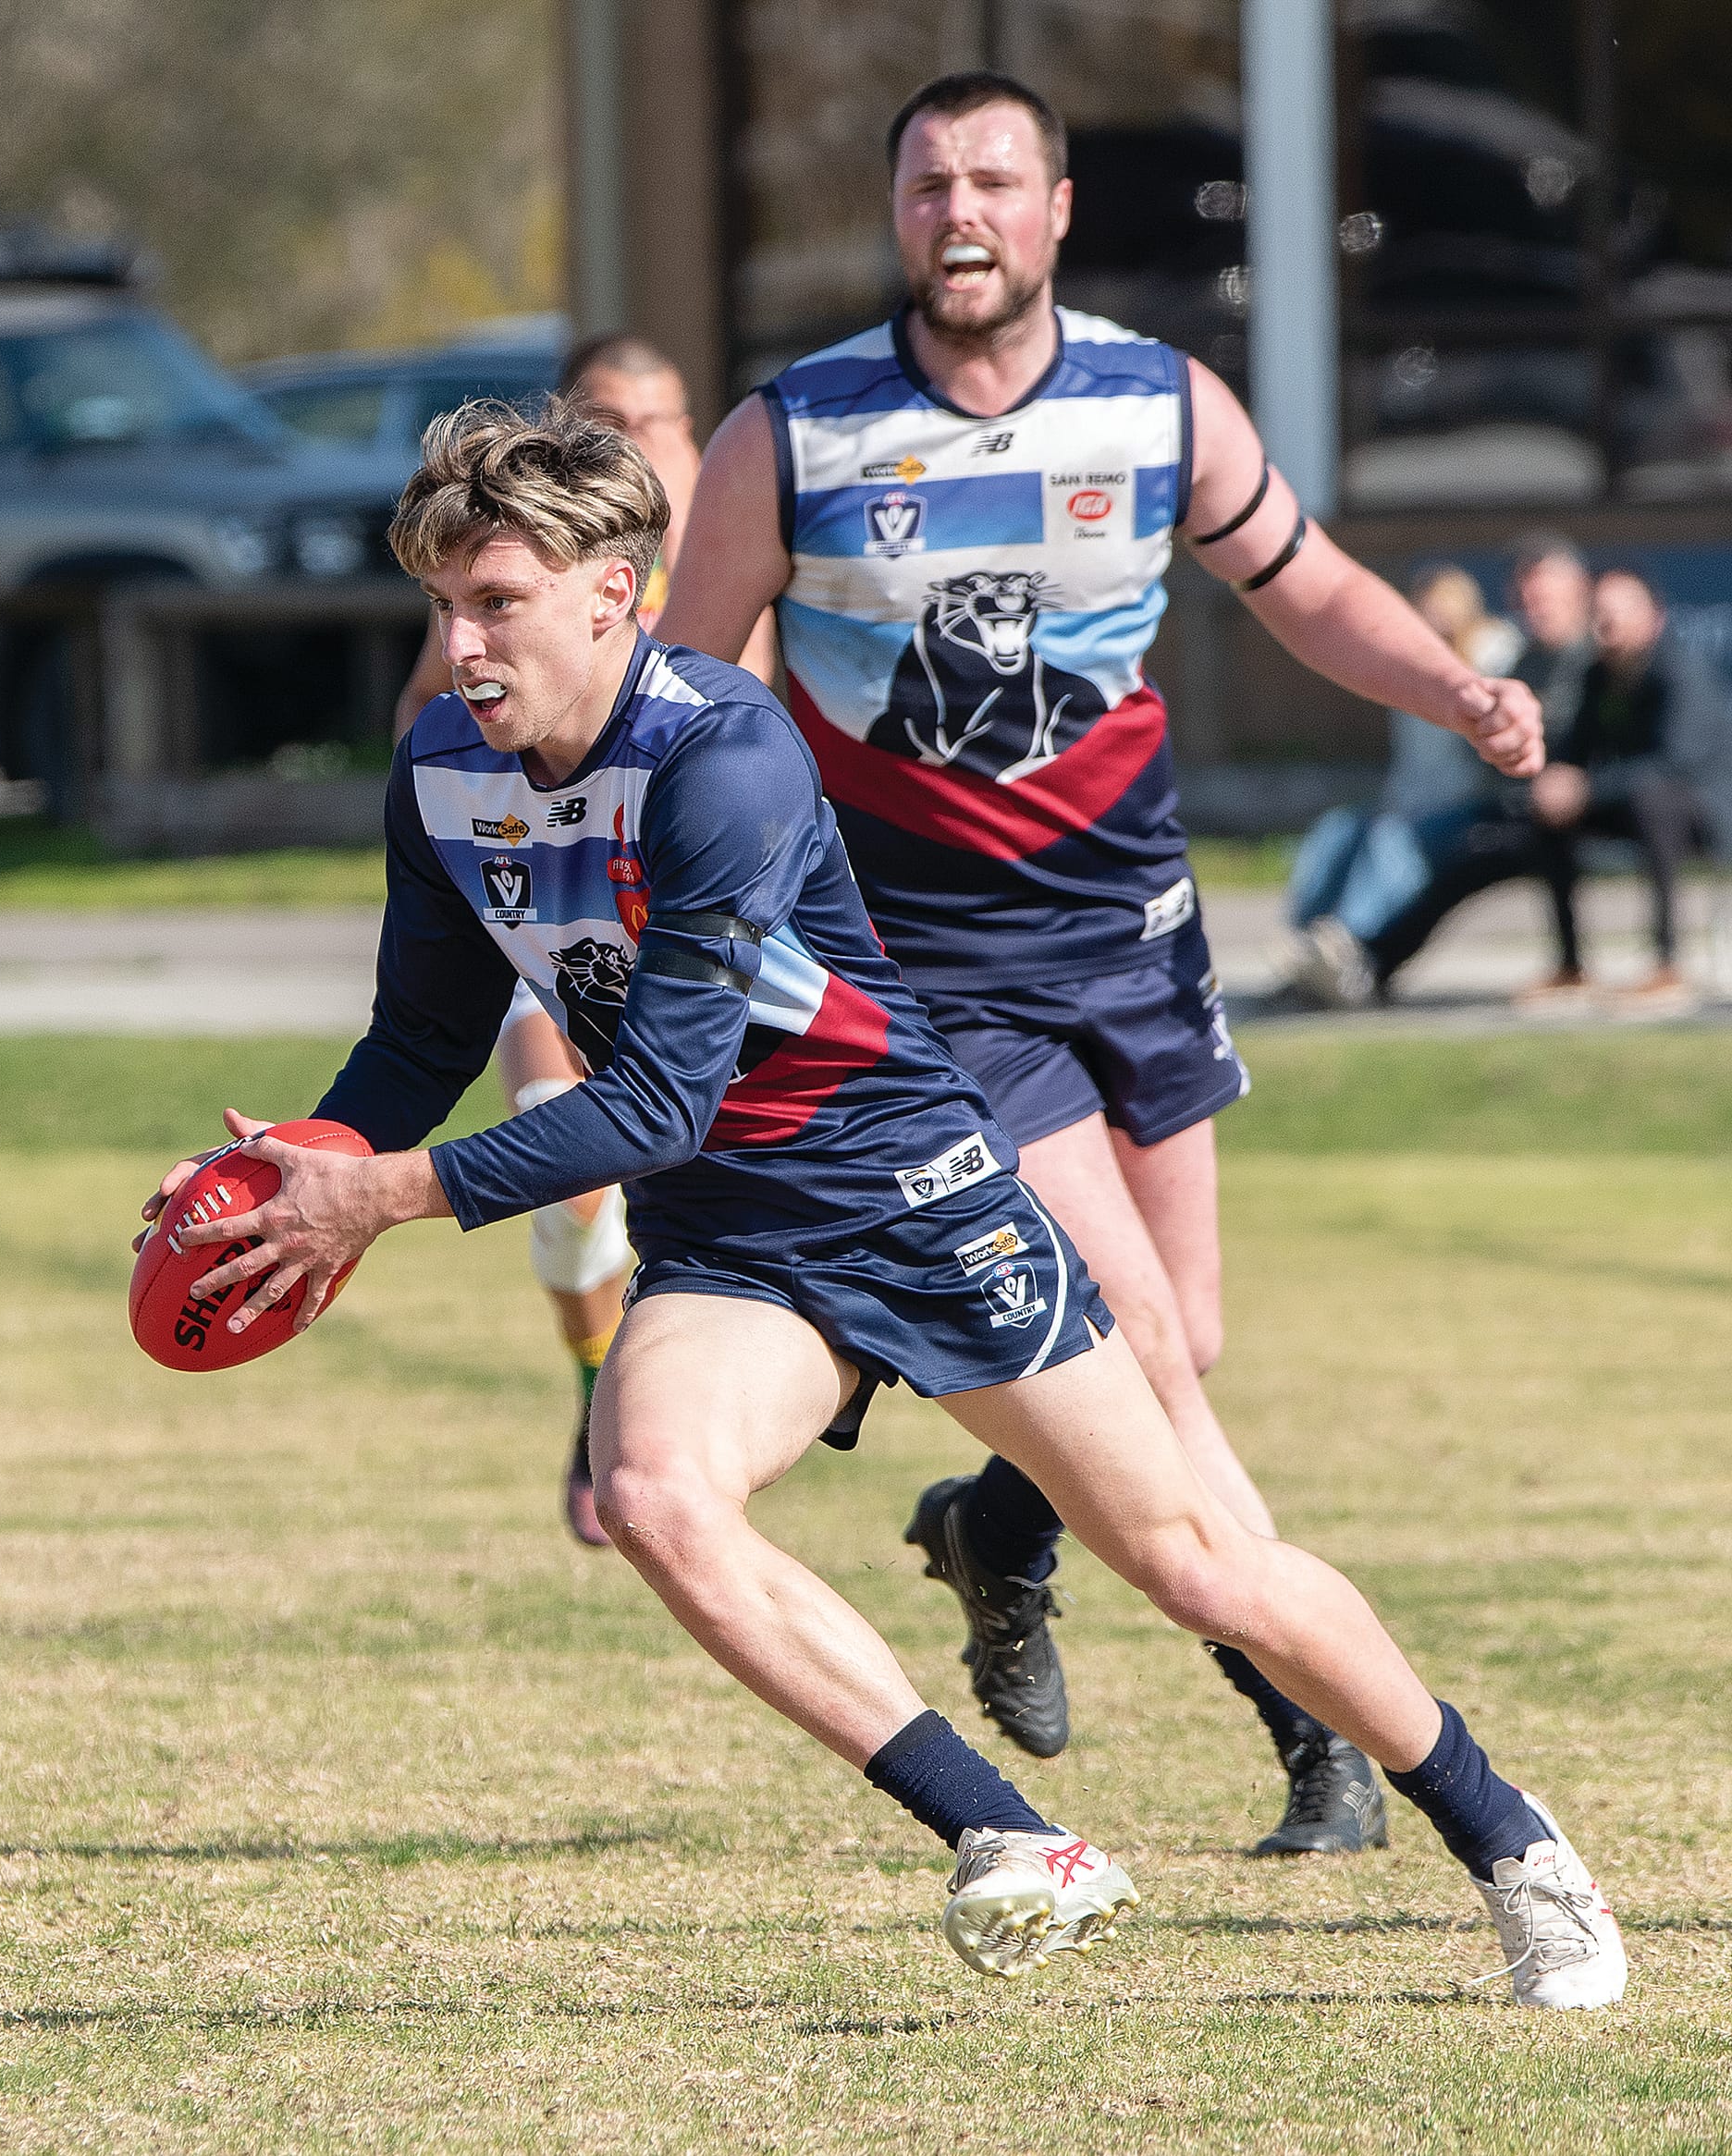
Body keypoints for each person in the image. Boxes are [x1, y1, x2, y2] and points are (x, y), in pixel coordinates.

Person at [141, 398, 1623, 2003]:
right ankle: (1011, 1838)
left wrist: (385, 1196)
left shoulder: (723, 757)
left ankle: (1517, 1846)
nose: (459, 645)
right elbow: (423, 1036)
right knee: (656, 1491)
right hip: (729, 1238)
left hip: (908, 1189)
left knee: (1198, 1560)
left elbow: (656, 1100)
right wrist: (288, 1173)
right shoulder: (442, 766)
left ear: (610, 594)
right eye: (442, 605)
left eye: (492, 603)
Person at [656, 71, 1548, 1853]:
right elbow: (687, 682)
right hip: (930, 970)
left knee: (1185, 1335)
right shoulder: (799, 432)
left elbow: (1304, 585)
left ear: (1058, 208)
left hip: (1135, 934)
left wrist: (1450, 690)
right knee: (1137, 1334)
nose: (959, 213)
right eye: (925, 186)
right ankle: (1323, 1737)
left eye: (993, 180)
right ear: (895, 215)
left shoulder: (1156, 401)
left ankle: (997, 1530)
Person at [392, 334, 772, 1544]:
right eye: (617, 415)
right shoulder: (498, 584)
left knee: (653, 1143)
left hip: (678, 920)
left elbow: (743, 733)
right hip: (546, 907)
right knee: (559, 1152)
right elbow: (434, 716)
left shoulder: (717, 565)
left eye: (666, 418)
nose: (651, 437)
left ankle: (655, 1384)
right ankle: (598, 1377)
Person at [1271, 561, 1533, 1009]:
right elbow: (1411, 768)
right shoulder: (1412, 681)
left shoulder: (1490, 657)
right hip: (1413, 800)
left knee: (1392, 840)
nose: (1435, 620)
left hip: (1471, 806)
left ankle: (1346, 943)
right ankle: (1307, 943)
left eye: (1444, 609)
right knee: (1339, 830)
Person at [1529, 568, 1728, 1015]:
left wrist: (1587, 787)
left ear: (1654, 617)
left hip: (1703, 811)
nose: (1609, 623)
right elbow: (1576, 749)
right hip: (1629, 801)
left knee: (1653, 800)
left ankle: (1667, 963)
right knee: (1549, 812)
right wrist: (1557, 780)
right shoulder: (1597, 676)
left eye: (1621, 612)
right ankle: (1571, 966)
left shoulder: (1680, 672)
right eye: (1600, 613)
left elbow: (1675, 762)